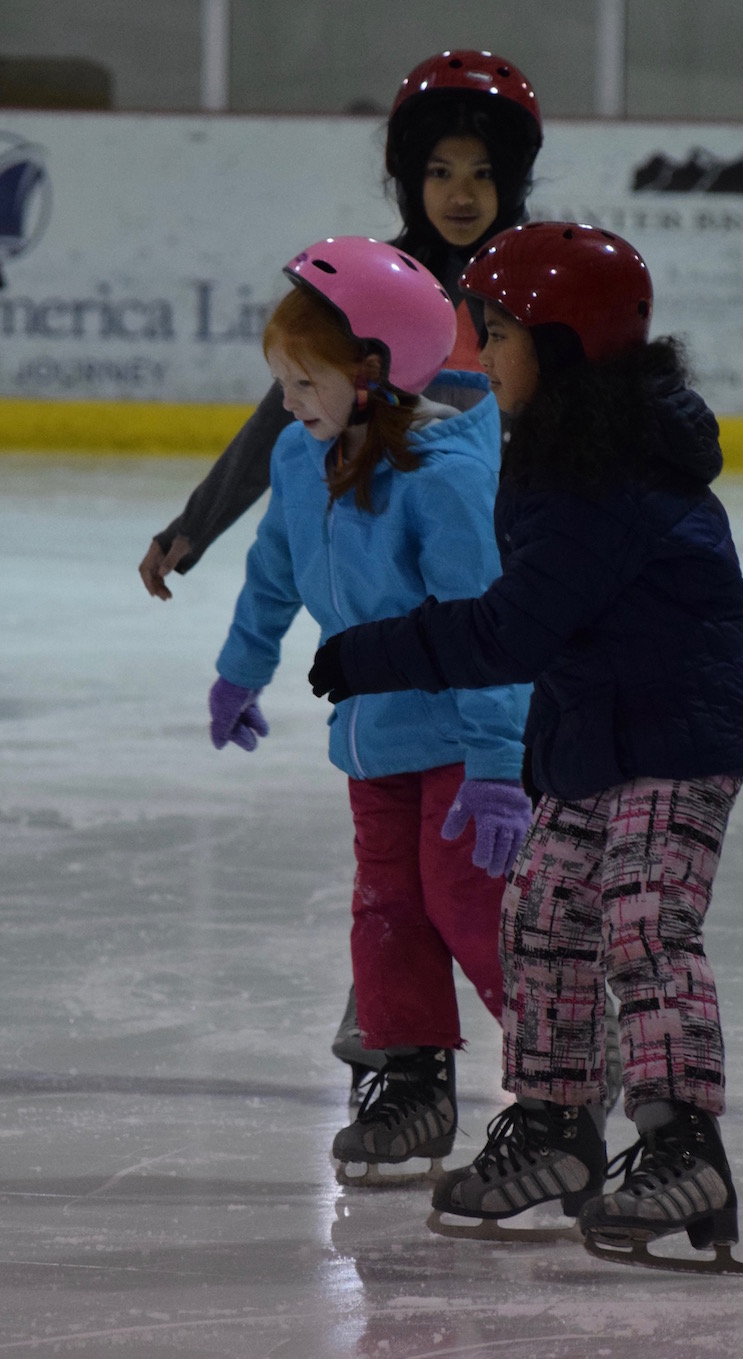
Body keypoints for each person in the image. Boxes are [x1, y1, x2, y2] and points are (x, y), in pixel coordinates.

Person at [305, 222, 743, 1271]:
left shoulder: (603, 470)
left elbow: (512, 626)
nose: (475, 359)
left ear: (561, 346)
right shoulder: (560, 451)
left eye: (495, 334)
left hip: (674, 729)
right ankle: (557, 1125)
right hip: (589, 732)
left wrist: (376, 652)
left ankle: (680, 1144)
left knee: (641, 920)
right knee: (538, 917)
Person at [137, 49, 544, 1100]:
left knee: (467, 866)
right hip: (390, 654)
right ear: (408, 177)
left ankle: (557, 1062)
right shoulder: (364, 292)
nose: (461, 194)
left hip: (506, 614)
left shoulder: (531, 293)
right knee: (392, 882)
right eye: (441, 171)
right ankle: (399, 1059)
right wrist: (198, 525)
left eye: (483, 175)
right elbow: (283, 431)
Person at [209, 235, 532, 1183]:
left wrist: (500, 762)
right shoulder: (300, 453)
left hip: (459, 740)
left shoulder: (441, 476)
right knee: (385, 908)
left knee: (467, 905)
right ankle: (409, 1081)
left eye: (304, 381)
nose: (289, 401)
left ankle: (563, 1063)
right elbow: (272, 568)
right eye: (282, 381)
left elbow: (487, 627)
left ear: (374, 371)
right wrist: (242, 669)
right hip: (372, 736)